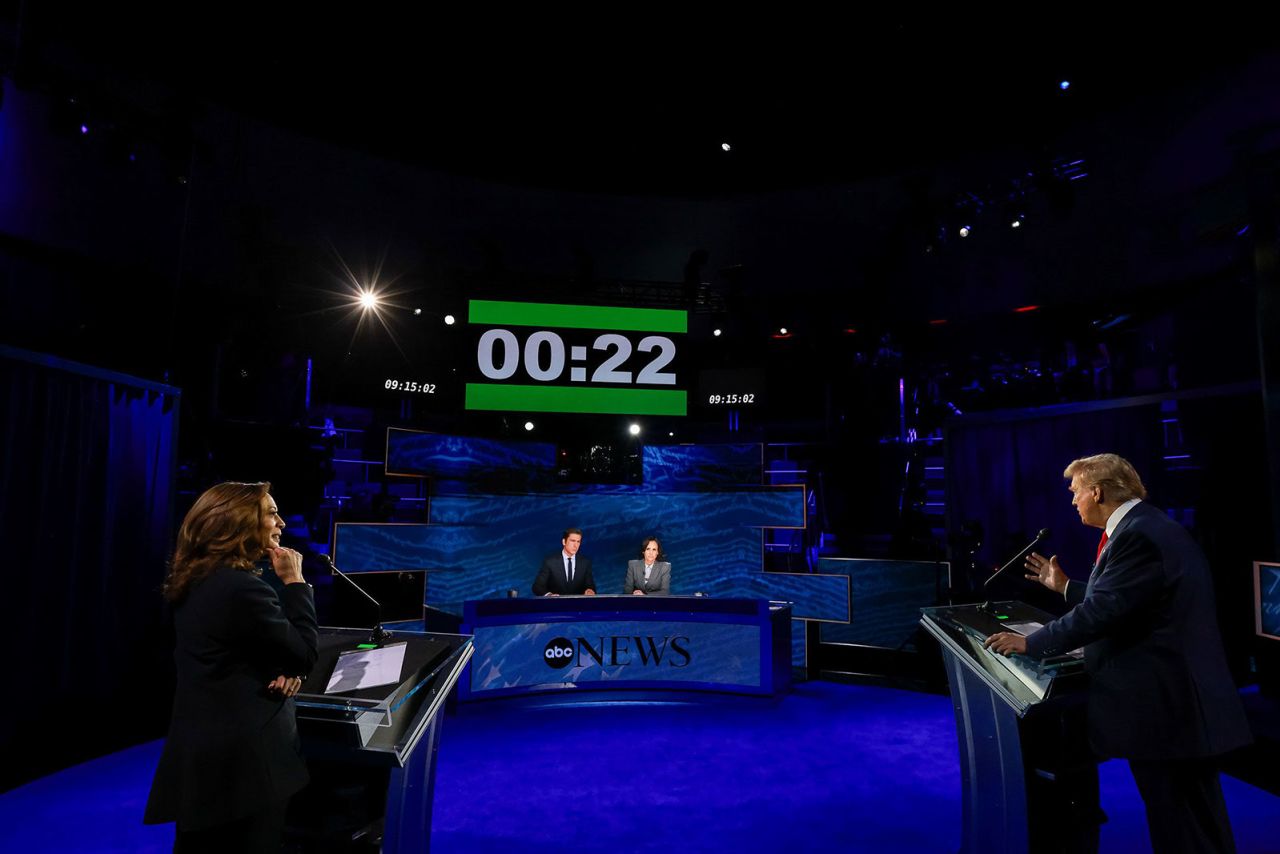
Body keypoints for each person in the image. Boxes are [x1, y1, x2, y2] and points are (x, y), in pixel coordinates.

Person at [985, 454, 1251, 853]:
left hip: (1167, 710)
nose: (1073, 502)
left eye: (1075, 493)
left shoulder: (1137, 536)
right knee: (1196, 820)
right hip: (1178, 706)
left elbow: (1102, 611)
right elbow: (1129, 598)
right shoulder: (1146, 526)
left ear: (1098, 491)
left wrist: (1032, 643)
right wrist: (1066, 588)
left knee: (1181, 824)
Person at [144, 482, 319, 853]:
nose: (281, 522)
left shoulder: (196, 579)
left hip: (204, 759)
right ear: (240, 523)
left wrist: (288, 668)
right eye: (271, 513)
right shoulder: (243, 589)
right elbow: (304, 653)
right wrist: (295, 583)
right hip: (245, 770)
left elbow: (235, 651)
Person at [532, 527, 595, 596]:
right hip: (555, 605)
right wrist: (549, 595)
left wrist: (589, 590)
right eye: (572, 541)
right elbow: (537, 587)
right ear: (564, 542)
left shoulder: (585, 562)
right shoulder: (550, 562)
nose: (575, 545)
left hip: (578, 605)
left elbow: (590, 585)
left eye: (578, 542)